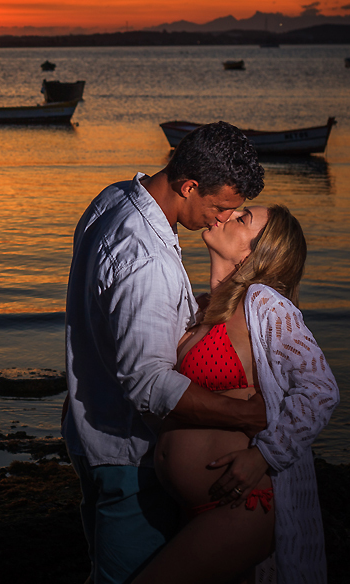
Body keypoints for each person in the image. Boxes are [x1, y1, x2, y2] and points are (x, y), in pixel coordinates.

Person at [62, 122, 267, 584]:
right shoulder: (146, 258)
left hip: (90, 425)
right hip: (127, 453)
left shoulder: (113, 199)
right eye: (218, 207)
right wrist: (250, 418)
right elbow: (148, 383)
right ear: (189, 185)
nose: (220, 221)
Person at [136, 205, 338, 584]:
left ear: (252, 254)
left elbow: (319, 389)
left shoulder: (263, 304)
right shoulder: (201, 310)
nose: (226, 215)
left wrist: (264, 455)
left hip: (239, 505)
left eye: (242, 219)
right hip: (193, 506)